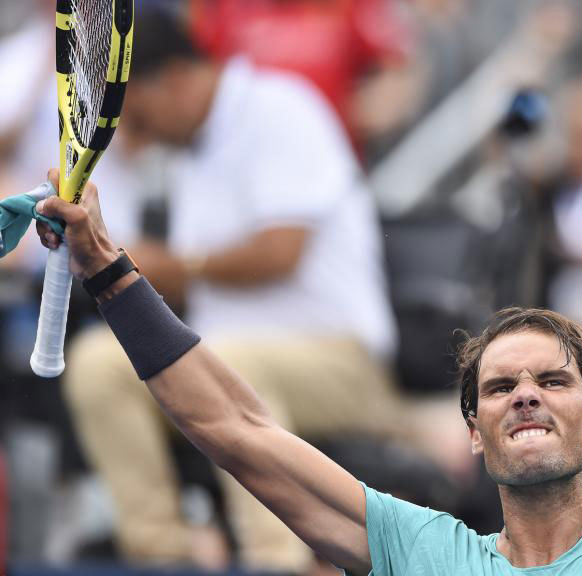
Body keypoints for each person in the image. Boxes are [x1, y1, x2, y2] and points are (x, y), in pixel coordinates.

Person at [33, 159, 582, 575]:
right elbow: (238, 431)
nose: (526, 396)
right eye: (501, 387)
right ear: (471, 434)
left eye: (553, 380)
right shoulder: (422, 553)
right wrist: (109, 270)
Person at [59, 4, 400, 573]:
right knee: (97, 363)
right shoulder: (193, 146)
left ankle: (278, 564)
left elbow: (280, 252)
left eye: (139, 117)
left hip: (343, 360)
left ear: (171, 80)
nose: (136, 135)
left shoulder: (280, 108)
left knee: (226, 367)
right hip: (236, 349)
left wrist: (158, 267)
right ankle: (161, 555)